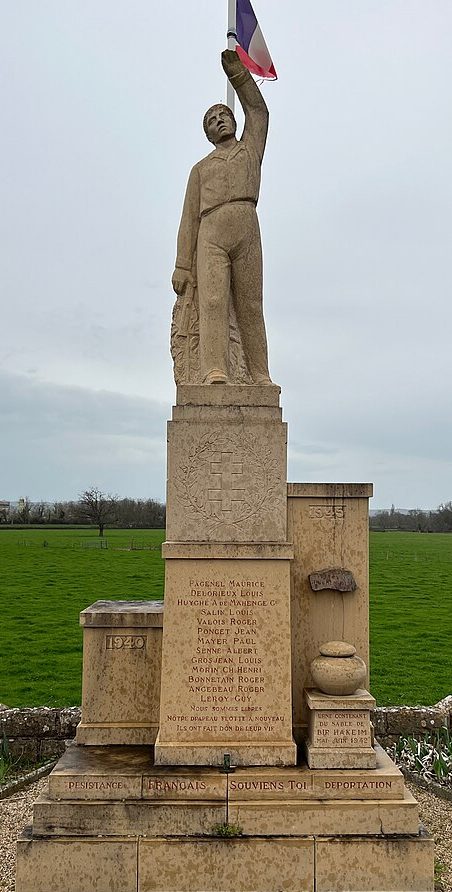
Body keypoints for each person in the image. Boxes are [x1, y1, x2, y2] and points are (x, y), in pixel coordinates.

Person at [171, 50, 272, 386]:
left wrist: (239, 77)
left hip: (246, 226)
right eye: (212, 120)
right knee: (212, 301)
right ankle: (214, 369)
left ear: (234, 121)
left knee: (251, 304)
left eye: (223, 115)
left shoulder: (250, 149)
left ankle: (259, 372)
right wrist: (182, 265)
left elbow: (258, 112)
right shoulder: (201, 169)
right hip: (211, 233)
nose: (219, 120)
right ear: (209, 134)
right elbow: (189, 219)